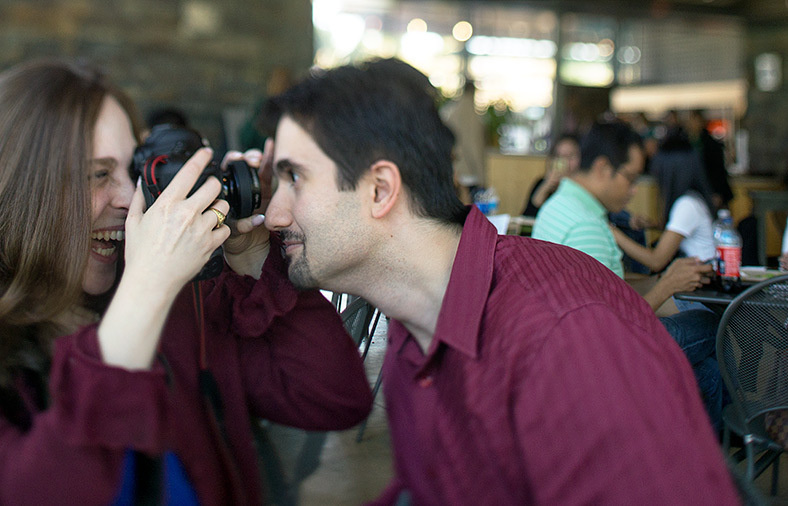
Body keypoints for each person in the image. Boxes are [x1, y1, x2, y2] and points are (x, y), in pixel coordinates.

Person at [0, 59, 372, 505]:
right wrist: (146, 293)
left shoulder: (182, 306)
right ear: (13, 194)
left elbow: (332, 397)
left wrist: (251, 256)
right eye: (97, 175)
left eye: (132, 170)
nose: (129, 198)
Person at [264, 58, 739, 505]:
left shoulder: (567, 339)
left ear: (380, 189)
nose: (273, 213)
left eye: (294, 179)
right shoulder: (417, 326)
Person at [532, 120, 725, 431]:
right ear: (603, 168)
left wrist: (667, 280)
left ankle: (696, 457)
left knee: (708, 373)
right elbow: (611, 325)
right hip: (597, 357)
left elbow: (609, 287)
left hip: (565, 341)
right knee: (711, 322)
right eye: (631, 178)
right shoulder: (586, 226)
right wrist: (666, 286)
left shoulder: (560, 205)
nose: (634, 190)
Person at [611, 127, 718, 272]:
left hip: (698, 287)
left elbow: (656, 261)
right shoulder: (694, 198)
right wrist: (652, 224)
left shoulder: (687, 205)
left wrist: (612, 231)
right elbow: (678, 230)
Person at [441, 80, 485, 203]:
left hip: (453, 169)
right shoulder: (471, 113)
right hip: (468, 171)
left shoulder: (450, 110)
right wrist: (481, 176)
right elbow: (473, 146)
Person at [521, 133, 580, 217]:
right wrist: (546, 186)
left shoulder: (584, 188)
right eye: (559, 156)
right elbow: (527, 217)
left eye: (570, 156)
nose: (565, 162)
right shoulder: (542, 182)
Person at [686, 109, 733, 209]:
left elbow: (718, 170)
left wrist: (717, 192)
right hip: (695, 191)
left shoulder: (711, 144)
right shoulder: (686, 143)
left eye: (694, 121)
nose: (692, 124)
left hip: (711, 190)